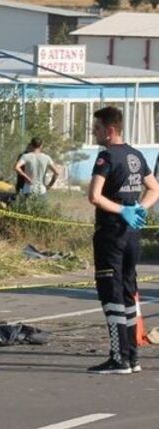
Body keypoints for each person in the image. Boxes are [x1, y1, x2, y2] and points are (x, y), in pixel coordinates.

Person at [86, 106, 159, 374]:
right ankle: (132, 357)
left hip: (111, 232)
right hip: (132, 235)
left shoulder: (106, 157)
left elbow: (94, 196)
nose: (94, 134)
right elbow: (154, 188)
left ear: (110, 130)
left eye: (96, 129)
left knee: (111, 292)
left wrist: (123, 210)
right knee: (129, 290)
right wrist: (140, 208)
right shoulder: (136, 155)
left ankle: (119, 358)